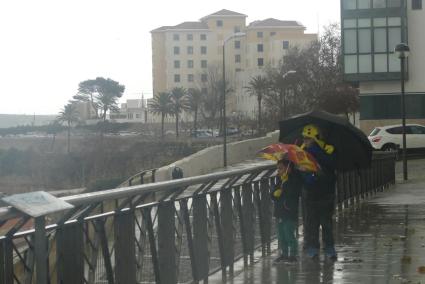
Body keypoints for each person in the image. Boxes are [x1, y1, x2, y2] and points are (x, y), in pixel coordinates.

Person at [301, 124, 337, 261]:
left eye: (308, 139)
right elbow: (302, 175)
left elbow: (331, 166)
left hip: (325, 193)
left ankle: (329, 248)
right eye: (304, 138)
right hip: (311, 194)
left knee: (326, 223)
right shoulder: (303, 153)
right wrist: (308, 175)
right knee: (312, 223)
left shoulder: (327, 150)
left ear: (315, 139)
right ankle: (313, 248)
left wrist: (315, 152)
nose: (305, 141)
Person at [271, 159, 302, 263]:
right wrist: (275, 193)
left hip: (290, 212)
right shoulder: (280, 180)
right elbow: (273, 194)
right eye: (277, 168)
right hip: (280, 212)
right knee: (281, 235)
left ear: (288, 168)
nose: (278, 171)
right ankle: (284, 254)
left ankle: (293, 255)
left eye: (280, 168)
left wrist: (286, 184)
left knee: (289, 233)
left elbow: (294, 193)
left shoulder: (294, 179)